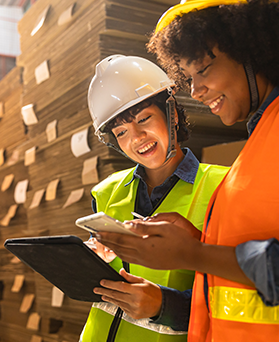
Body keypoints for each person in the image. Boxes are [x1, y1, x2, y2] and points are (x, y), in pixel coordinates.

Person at [96, 1, 279, 341]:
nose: (195, 91)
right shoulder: (258, 143)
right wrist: (199, 240)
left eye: (204, 70)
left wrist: (192, 253)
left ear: (250, 47)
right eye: (189, 77)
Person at [79, 54, 228, 342]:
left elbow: (236, 291)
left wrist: (164, 305)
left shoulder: (223, 187)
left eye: (144, 118)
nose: (136, 137)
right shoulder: (106, 192)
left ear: (171, 113)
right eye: (121, 132)